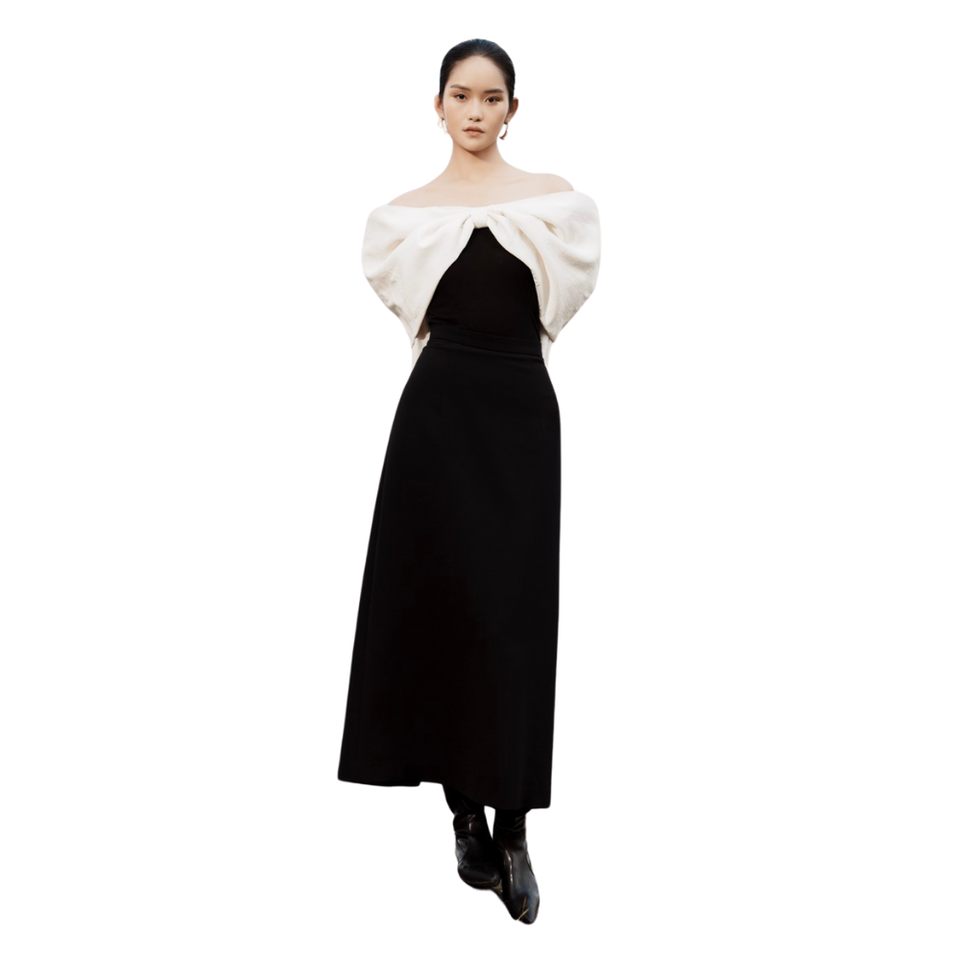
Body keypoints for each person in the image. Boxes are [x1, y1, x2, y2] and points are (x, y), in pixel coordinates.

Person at [337, 38, 601, 925]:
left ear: (513, 110)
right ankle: (463, 819)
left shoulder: (556, 205)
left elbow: (562, 300)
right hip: (436, 420)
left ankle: (514, 826)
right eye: (461, 95)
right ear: (439, 105)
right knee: (445, 608)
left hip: (521, 413)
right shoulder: (404, 217)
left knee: (514, 617)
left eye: (492, 97)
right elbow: (409, 308)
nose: (476, 111)